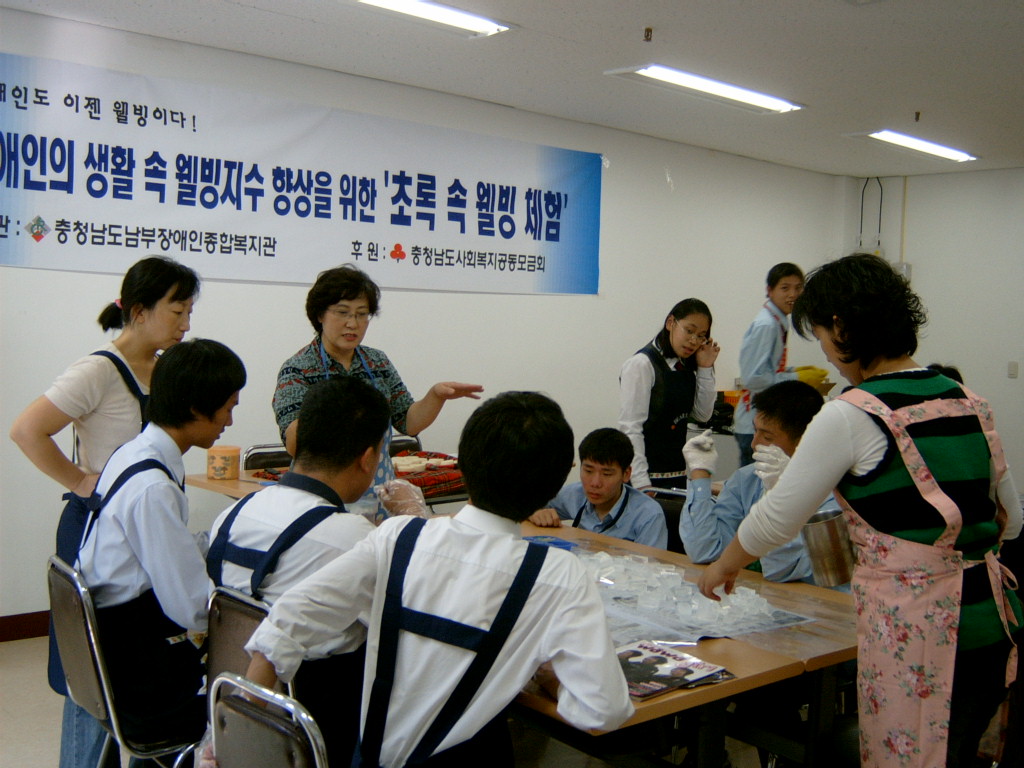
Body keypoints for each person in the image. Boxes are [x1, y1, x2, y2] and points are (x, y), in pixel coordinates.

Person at [698, 254, 1022, 768]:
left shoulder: (853, 412)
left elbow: (776, 518)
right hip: (993, 627)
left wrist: (723, 565)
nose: (826, 354)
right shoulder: (967, 400)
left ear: (843, 326)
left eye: (823, 335)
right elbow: (1013, 521)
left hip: (923, 637)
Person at [245, 392, 634, 768]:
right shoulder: (557, 574)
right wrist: (545, 676)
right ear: (554, 485)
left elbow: (286, 621)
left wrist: (235, 736)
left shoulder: (398, 536)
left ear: (461, 466)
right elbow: (603, 709)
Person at [9, 255, 199, 768]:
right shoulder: (98, 369)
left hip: (141, 534)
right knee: (90, 677)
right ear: (139, 311)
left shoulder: (164, 370)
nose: (185, 324)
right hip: (93, 530)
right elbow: (27, 430)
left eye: (189, 313)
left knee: (134, 671)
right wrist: (79, 480)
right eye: (177, 311)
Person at [207, 376, 390, 767]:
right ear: (368, 459)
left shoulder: (233, 514)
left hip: (228, 713)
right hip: (312, 729)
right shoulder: (353, 539)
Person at [76, 338, 246, 752]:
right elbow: (192, 608)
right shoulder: (153, 488)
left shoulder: (133, 452)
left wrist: (212, 541)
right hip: (141, 682)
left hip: (113, 650)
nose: (229, 420)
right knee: (270, 689)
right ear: (195, 408)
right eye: (227, 408)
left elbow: (159, 549)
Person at [273, 264, 482, 519]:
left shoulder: (377, 363)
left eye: (362, 314)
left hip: (378, 495)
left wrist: (435, 396)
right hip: (321, 500)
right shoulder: (298, 368)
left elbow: (408, 422)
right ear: (319, 315)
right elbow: (295, 444)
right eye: (342, 312)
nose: (353, 323)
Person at [681, 380, 838, 583]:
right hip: (758, 593)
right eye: (755, 431)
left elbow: (780, 571)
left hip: (817, 598)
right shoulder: (747, 480)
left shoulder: (833, 493)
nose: (754, 444)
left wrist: (778, 494)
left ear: (805, 440)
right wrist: (700, 473)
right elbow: (704, 551)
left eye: (767, 437)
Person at [732, 262, 830, 466]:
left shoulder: (777, 321)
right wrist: (797, 378)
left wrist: (795, 371)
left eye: (798, 287)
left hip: (763, 421)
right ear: (770, 290)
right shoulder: (766, 325)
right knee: (758, 483)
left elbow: (769, 369)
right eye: (785, 288)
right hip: (754, 425)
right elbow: (753, 378)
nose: (792, 295)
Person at [619, 298, 720, 492]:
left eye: (701, 336)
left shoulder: (686, 367)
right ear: (670, 323)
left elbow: (702, 415)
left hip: (677, 475)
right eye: (689, 331)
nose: (694, 341)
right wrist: (641, 483)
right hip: (644, 479)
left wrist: (705, 368)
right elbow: (630, 428)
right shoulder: (641, 364)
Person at [528, 427, 668, 549]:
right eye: (588, 471)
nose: (595, 483)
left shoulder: (649, 514)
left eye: (607, 474)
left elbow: (651, 566)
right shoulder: (575, 493)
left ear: (626, 474)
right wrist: (533, 511)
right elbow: (524, 504)